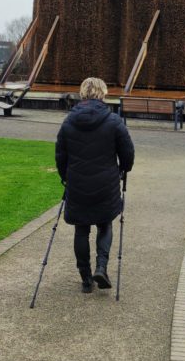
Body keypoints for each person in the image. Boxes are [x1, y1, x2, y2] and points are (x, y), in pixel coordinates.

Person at [55, 77, 134, 293]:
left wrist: (66, 177)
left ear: (83, 93)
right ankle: (101, 267)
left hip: (78, 183)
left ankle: (86, 278)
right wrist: (123, 170)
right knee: (104, 223)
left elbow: (60, 155)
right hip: (105, 182)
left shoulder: (69, 122)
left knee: (81, 229)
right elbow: (127, 153)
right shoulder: (114, 121)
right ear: (103, 93)